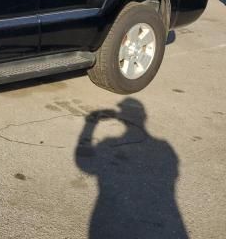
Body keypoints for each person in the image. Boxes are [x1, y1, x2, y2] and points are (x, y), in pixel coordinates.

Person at [75, 98, 187, 238]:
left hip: (110, 214)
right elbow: (173, 174)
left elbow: (85, 166)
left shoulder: (108, 144)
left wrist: (90, 125)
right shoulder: (164, 148)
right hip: (164, 218)